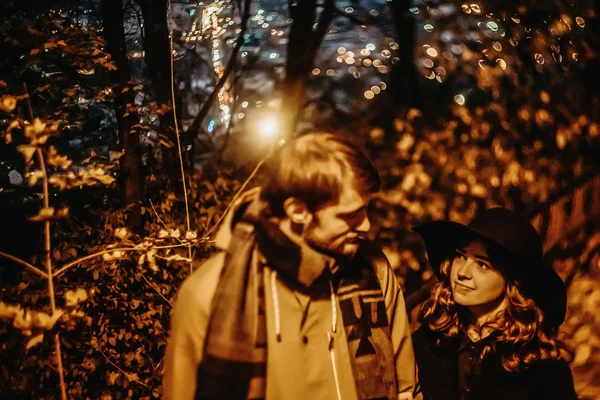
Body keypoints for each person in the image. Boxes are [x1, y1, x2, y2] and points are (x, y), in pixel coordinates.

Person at [163, 132, 421, 400]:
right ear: (298, 211)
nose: (366, 225)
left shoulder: (373, 269)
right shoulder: (208, 294)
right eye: (350, 215)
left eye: (365, 210)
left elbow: (406, 390)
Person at [411, 207, 578, 400]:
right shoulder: (430, 341)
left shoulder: (540, 365)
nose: (462, 272)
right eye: (460, 256)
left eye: (482, 264)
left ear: (513, 281)